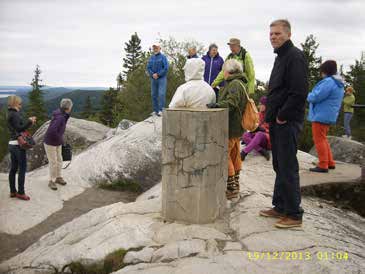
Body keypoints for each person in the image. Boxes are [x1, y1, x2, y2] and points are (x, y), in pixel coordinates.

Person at [260, 19, 308, 229]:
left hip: (287, 121)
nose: (273, 37)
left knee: (288, 166)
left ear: (288, 34)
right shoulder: (281, 57)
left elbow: (298, 92)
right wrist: (270, 118)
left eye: (277, 34)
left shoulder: (294, 56)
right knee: (279, 164)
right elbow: (278, 90)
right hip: (278, 121)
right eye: (271, 34)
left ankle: (294, 214)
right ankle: (280, 206)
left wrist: (282, 116)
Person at [207, 59, 247, 200]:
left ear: (228, 71)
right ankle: (235, 184)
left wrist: (216, 105)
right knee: (235, 155)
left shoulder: (235, 84)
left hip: (231, 126)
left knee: (225, 156)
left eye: (223, 70)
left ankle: (231, 188)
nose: (222, 73)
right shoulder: (239, 82)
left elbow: (232, 102)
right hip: (237, 127)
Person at [307, 61, 344, 173]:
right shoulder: (338, 83)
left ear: (325, 71)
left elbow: (316, 96)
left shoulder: (328, 82)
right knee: (323, 138)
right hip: (328, 114)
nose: (320, 73)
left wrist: (307, 95)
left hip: (321, 114)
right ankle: (330, 162)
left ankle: (323, 164)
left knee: (318, 139)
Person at [7, 95, 36, 201]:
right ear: (14, 104)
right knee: (22, 169)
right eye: (19, 103)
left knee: (13, 169)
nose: (21, 105)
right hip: (19, 145)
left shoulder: (9, 114)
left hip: (11, 144)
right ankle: (21, 192)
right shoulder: (15, 114)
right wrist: (30, 122)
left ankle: (12, 191)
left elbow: (15, 128)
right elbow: (19, 129)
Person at [44, 99, 73, 190]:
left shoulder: (62, 114)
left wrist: (67, 115)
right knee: (53, 162)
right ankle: (51, 181)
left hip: (57, 142)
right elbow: (52, 131)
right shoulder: (59, 117)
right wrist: (60, 138)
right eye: (70, 107)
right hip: (50, 142)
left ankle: (58, 177)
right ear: (68, 107)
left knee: (59, 160)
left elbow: (63, 122)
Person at [240, 96, 271, 161]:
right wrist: (253, 129)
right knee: (245, 135)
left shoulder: (271, 116)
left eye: (261, 104)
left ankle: (244, 152)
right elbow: (254, 126)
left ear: (266, 105)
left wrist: (263, 130)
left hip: (267, 140)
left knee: (259, 134)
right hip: (257, 138)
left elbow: (274, 131)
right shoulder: (258, 114)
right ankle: (262, 151)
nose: (259, 106)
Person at [147, 43, 169, 116]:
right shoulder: (151, 58)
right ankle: (155, 110)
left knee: (161, 94)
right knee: (153, 94)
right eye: (154, 48)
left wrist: (158, 74)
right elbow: (148, 67)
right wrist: (152, 74)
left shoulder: (163, 57)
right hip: (153, 78)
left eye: (156, 48)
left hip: (161, 78)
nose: (155, 49)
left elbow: (166, 68)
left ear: (160, 48)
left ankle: (161, 110)